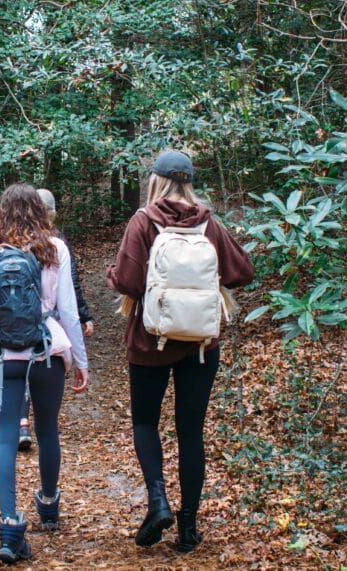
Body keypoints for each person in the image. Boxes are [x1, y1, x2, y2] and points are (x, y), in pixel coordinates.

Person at [106, 150, 254, 553]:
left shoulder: (144, 221)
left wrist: (114, 274)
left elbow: (129, 281)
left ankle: (158, 503)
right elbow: (242, 271)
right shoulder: (208, 222)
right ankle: (188, 528)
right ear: (189, 182)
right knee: (191, 433)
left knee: (145, 423)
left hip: (150, 341)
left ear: (155, 180)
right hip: (200, 345)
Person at [0, 183, 89, 564]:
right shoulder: (55, 249)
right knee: (48, 429)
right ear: (40, 211)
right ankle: (49, 505)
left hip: (0, 354)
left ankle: (9, 525)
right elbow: (68, 310)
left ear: (0, 212)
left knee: (5, 438)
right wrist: (80, 360)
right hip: (46, 349)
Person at [17, 188, 94, 451]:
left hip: (11, 330)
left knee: (21, 368)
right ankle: (49, 491)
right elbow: (71, 290)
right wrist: (83, 319)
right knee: (42, 371)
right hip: (50, 327)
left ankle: (22, 422)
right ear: (51, 213)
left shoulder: (2, 245)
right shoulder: (57, 245)